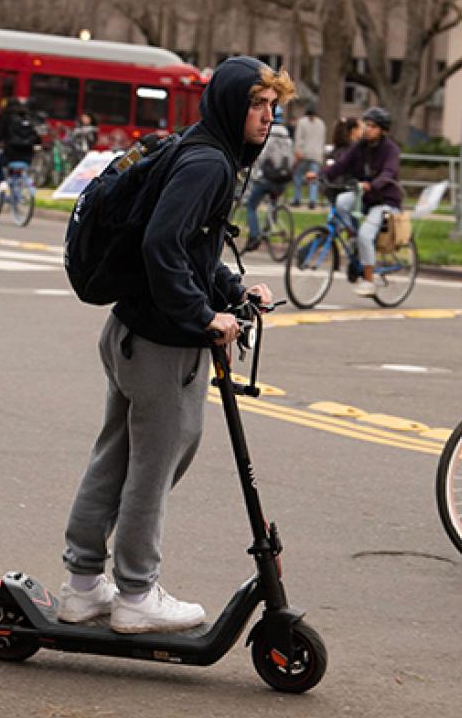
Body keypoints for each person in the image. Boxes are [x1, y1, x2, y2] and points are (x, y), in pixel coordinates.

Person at [59, 56, 290, 634]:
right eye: (257, 105)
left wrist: (232, 290)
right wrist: (203, 316)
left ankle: (83, 586)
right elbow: (163, 245)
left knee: (115, 457)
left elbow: (192, 249)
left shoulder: (198, 147)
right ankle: (136, 593)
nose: (266, 117)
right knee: (153, 469)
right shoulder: (210, 163)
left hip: (129, 332)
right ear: (231, 105)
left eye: (271, 106)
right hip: (162, 346)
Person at [312, 107, 402, 297]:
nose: (367, 129)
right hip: (365, 196)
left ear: (383, 130)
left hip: (384, 200)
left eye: (372, 126)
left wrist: (373, 184)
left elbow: (389, 172)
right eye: (366, 125)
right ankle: (352, 237)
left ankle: (369, 281)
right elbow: (341, 164)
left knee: (365, 235)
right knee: (342, 201)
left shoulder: (391, 150)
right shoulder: (360, 146)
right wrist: (320, 175)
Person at [242, 111, 295, 251]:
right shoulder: (288, 139)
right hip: (282, 180)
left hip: (266, 179)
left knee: (251, 206)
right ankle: (270, 224)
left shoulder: (267, 136)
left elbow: (260, 159)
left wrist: (252, 173)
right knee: (274, 201)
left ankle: (254, 236)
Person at [0, 97, 40, 190]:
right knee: (16, 171)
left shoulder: (5, 117)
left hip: (11, 155)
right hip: (28, 157)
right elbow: (36, 138)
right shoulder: (26, 118)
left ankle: (2, 182)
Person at [291, 104, 326, 209]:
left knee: (297, 176)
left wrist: (297, 152)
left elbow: (298, 138)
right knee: (313, 179)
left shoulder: (302, 122)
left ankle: (297, 199)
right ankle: (312, 201)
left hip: (304, 154)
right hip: (316, 155)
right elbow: (322, 140)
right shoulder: (321, 123)